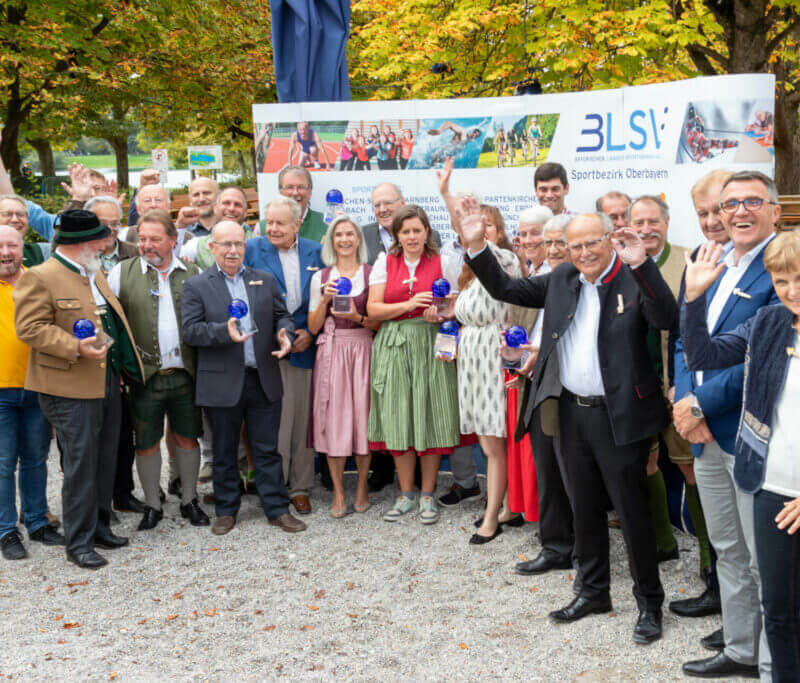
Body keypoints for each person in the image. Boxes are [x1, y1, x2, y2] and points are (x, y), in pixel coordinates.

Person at [463, 199, 677, 644]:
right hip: (570, 414)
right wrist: (476, 243)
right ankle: (594, 591)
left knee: (633, 515)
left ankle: (649, 604)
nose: (582, 252)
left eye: (591, 243)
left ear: (610, 240)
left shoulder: (632, 278)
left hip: (620, 419)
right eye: (575, 245)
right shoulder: (561, 278)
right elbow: (506, 288)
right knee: (584, 510)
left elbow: (667, 319)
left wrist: (644, 266)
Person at [680, 231, 800, 681]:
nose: (791, 291)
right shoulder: (769, 321)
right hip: (769, 487)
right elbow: (702, 354)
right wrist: (694, 298)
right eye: (782, 280)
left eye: (799, 279)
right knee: (779, 608)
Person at [14, 210, 144, 569]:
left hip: (104, 378)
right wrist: (74, 346)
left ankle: (100, 525)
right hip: (68, 385)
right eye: (100, 238)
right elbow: (30, 328)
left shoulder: (93, 272)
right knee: (80, 463)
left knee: (105, 457)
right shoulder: (41, 277)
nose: (106, 243)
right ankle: (79, 541)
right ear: (83, 243)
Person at [181, 221, 306, 535]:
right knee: (224, 451)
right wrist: (223, 331)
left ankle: (277, 508)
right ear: (213, 247)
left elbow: (283, 316)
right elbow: (191, 330)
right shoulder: (197, 285)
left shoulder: (262, 280)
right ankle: (226, 510)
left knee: (266, 449)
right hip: (221, 382)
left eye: (238, 244)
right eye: (226, 244)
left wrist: (285, 333)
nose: (233, 250)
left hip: (262, 377)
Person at [627, 195, 715, 576]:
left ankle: (712, 559)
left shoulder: (689, 260)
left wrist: (686, 384)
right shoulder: (619, 265)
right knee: (647, 462)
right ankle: (664, 542)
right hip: (638, 389)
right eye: (638, 222)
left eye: (652, 221)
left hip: (679, 386)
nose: (646, 229)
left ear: (666, 222)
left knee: (692, 466)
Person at [106, 209, 209, 532]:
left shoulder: (193, 273)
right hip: (143, 376)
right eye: (143, 239)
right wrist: (119, 366)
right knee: (146, 442)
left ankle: (189, 498)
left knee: (188, 438)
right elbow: (110, 324)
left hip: (185, 374)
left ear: (173, 240)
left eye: (155, 239)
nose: (147, 245)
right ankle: (152, 503)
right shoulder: (121, 273)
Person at [367, 204, 461, 525]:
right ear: (396, 234)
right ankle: (406, 493)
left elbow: (454, 304)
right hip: (394, 344)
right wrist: (407, 304)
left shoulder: (443, 261)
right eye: (404, 231)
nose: (411, 236)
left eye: (416, 230)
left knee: (429, 413)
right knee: (399, 416)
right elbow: (373, 310)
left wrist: (442, 311)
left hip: (431, 343)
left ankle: (427, 494)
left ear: (427, 232)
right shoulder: (385, 262)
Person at [445, 204, 522, 543]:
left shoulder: (506, 260)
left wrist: (448, 196)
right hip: (472, 357)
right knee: (488, 441)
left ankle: (492, 517)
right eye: (474, 226)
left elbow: (478, 245)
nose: (478, 229)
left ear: (499, 232)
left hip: (493, 356)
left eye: (486, 225)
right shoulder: (470, 272)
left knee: (493, 443)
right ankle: (506, 504)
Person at [245, 196, 324, 515]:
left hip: (305, 347)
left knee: (302, 421)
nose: (273, 228)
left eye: (280, 223)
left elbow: (322, 296)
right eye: (269, 222)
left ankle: (301, 486)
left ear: (297, 224)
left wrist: (310, 333)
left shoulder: (315, 251)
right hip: (268, 349)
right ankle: (274, 486)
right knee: (272, 424)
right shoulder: (252, 249)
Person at [512, 213, 577, 579]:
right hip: (539, 387)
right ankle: (555, 547)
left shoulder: (586, 285)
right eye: (548, 242)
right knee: (548, 472)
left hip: (572, 393)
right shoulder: (542, 281)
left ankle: (585, 550)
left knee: (574, 476)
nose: (553, 249)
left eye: (560, 243)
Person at [307, 215, 380, 517]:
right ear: (331, 240)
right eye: (339, 235)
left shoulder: (371, 273)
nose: (345, 240)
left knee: (364, 420)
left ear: (359, 239)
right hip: (333, 350)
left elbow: (378, 322)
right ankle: (339, 491)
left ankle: (362, 484)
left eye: (350, 234)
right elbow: (312, 328)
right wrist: (324, 301)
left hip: (363, 348)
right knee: (335, 423)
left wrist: (356, 317)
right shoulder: (320, 277)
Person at [0, 226, 64, 561]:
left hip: (37, 384)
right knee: (2, 462)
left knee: (36, 459)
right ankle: (6, 530)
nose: (5, 252)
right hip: (0, 391)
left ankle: (38, 521)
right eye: (0, 246)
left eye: (12, 245)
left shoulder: (37, 281)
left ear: (22, 248)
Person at [84, 196, 142, 515]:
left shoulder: (131, 254)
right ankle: (94, 502)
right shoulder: (79, 261)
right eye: (101, 223)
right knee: (92, 438)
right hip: (91, 360)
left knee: (124, 433)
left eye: (115, 223)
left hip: (125, 356)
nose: (109, 230)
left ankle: (123, 492)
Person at [181, 186, 252, 270]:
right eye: (226, 203)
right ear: (215, 208)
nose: (231, 208)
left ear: (245, 212)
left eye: (237, 205)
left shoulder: (260, 243)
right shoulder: (194, 246)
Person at [255, 166, 327, 243]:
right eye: (289, 187)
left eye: (301, 187)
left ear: (309, 192)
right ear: (280, 191)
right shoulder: (262, 228)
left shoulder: (326, 224)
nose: (295, 192)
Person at [0, 194, 53, 266]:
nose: (15, 219)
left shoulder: (42, 253)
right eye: (7, 214)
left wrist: (73, 203)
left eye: (21, 214)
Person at [517, 206, 554, 275]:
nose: (528, 241)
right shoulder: (530, 269)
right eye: (523, 234)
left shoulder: (555, 271)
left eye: (535, 233)